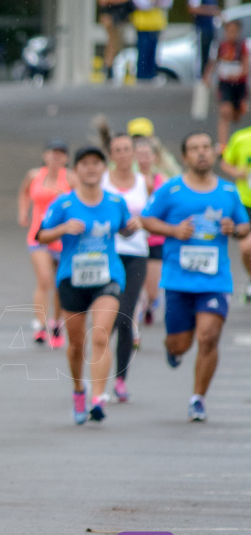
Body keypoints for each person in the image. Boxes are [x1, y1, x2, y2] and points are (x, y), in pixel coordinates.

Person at [142, 132, 250, 422]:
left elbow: (244, 226)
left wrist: (234, 229)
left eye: (206, 147)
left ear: (214, 153)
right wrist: (174, 231)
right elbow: (147, 218)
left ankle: (198, 398)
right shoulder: (172, 190)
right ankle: (173, 351)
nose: (201, 153)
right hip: (178, 279)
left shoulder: (228, 192)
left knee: (209, 336)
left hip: (215, 279)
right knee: (181, 343)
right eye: (194, 149)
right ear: (185, 156)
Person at [37, 146, 139, 425]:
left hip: (108, 276)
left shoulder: (116, 202)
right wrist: (62, 229)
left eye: (96, 163)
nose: (91, 168)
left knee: (101, 335)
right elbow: (40, 235)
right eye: (85, 164)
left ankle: (98, 397)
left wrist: (132, 228)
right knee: (76, 344)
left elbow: (124, 228)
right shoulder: (63, 204)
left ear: (103, 169)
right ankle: (78, 390)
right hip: (72, 278)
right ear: (76, 170)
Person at [101, 134, 149, 403]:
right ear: (111, 154)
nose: (122, 154)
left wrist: (142, 222)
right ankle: (97, 374)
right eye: (117, 150)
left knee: (125, 316)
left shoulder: (144, 182)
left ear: (134, 152)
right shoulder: (103, 182)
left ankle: (120, 379)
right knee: (104, 319)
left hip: (136, 255)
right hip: (107, 254)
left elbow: (153, 214)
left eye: (126, 149)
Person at [16, 140, 74, 347]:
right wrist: (23, 213)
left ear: (66, 158)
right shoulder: (34, 175)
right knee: (44, 280)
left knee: (60, 283)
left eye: (61, 154)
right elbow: (24, 192)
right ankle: (40, 325)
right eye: (53, 153)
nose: (56, 157)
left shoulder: (71, 178)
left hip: (63, 238)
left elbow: (81, 201)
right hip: (38, 236)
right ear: (45, 155)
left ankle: (56, 323)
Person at [135, 137, 167, 324]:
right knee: (136, 282)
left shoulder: (161, 181)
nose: (144, 159)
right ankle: (136, 311)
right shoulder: (130, 181)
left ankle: (150, 303)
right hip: (134, 239)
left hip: (155, 239)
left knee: (152, 290)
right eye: (139, 155)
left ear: (154, 158)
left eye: (147, 155)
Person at [203, 21, 248, 148]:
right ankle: (223, 145)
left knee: (237, 114)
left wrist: (239, 75)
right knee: (225, 112)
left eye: (234, 31)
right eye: (229, 31)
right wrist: (207, 77)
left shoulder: (242, 46)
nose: (231, 34)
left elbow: (245, 65)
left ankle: (237, 113)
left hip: (239, 84)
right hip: (225, 84)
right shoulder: (220, 46)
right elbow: (213, 62)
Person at [220, 121, 251, 302]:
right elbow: (225, 163)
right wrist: (237, 172)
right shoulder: (241, 138)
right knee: (247, 249)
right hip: (245, 202)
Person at [130, 0, 173, 81]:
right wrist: (157, 1)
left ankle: (151, 75)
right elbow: (143, 4)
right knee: (143, 52)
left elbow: (169, 0)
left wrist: (152, 0)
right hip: (143, 26)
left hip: (156, 25)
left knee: (153, 53)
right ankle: (142, 77)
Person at [97, 0, 133, 80]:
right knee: (113, 45)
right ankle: (108, 70)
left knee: (116, 45)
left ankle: (111, 70)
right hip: (111, 18)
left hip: (117, 18)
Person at [187, 0, 219, 78]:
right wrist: (212, 10)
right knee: (201, 54)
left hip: (210, 27)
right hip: (202, 27)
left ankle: (206, 76)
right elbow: (192, 8)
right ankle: (199, 77)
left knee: (209, 54)